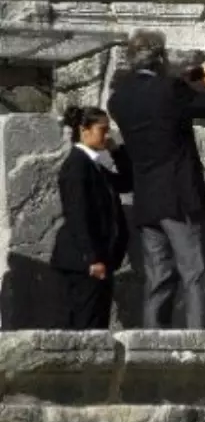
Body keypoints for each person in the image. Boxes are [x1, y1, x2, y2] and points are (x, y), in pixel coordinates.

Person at [106, 30, 205, 329]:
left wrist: (182, 83)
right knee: (195, 273)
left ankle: (152, 344)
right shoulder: (170, 90)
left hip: (147, 199)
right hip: (179, 197)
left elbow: (159, 111)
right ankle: (200, 346)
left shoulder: (118, 99)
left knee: (158, 278)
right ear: (161, 57)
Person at [51, 106, 132, 329]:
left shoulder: (92, 165)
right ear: (83, 130)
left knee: (96, 326)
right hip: (85, 263)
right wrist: (92, 258)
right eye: (102, 130)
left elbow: (126, 183)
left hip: (98, 260)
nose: (107, 136)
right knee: (86, 328)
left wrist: (117, 152)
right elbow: (78, 215)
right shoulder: (77, 166)